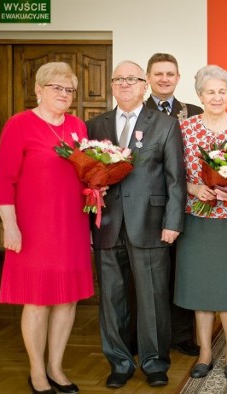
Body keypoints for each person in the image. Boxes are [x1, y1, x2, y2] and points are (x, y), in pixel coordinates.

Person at [0, 62, 93, 394]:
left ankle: (56, 367)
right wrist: (11, 227)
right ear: (38, 89)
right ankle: (37, 372)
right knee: (37, 300)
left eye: (69, 90)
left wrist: (98, 183)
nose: (64, 95)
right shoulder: (19, 124)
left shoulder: (78, 126)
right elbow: (3, 180)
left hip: (72, 226)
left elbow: (84, 171)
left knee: (67, 299)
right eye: (57, 88)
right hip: (33, 229)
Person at [87, 60, 186, 389]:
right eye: (119, 79)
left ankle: (155, 361)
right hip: (107, 224)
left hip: (151, 224)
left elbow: (176, 179)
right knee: (112, 298)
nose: (125, 84)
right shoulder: (95, 125)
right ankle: (118, 362)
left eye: (132, 79)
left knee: (153, 297)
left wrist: (173, 222)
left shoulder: (165, 124)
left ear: (145, 86)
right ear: (112, 85)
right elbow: (86, 176)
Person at [174, 65, 227, 381]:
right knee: (200, 285)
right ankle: (205, 352)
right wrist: (194, 187)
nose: (216, 97)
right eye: (210, 91)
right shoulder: (185, 129)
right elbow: (174, 175)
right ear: (199, 95)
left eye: (221, 91)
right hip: (197, 217)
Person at [145, 52, 202, 357]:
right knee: (151, 275)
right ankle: (150, 335)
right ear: (148, 77)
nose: (164, 79)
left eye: (170, 74)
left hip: (187, 206)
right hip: (148, 208)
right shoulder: (137, 112)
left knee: (183, 272)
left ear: (178, 78)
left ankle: (182, 334)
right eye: (158, 74)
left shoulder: (193, 112)